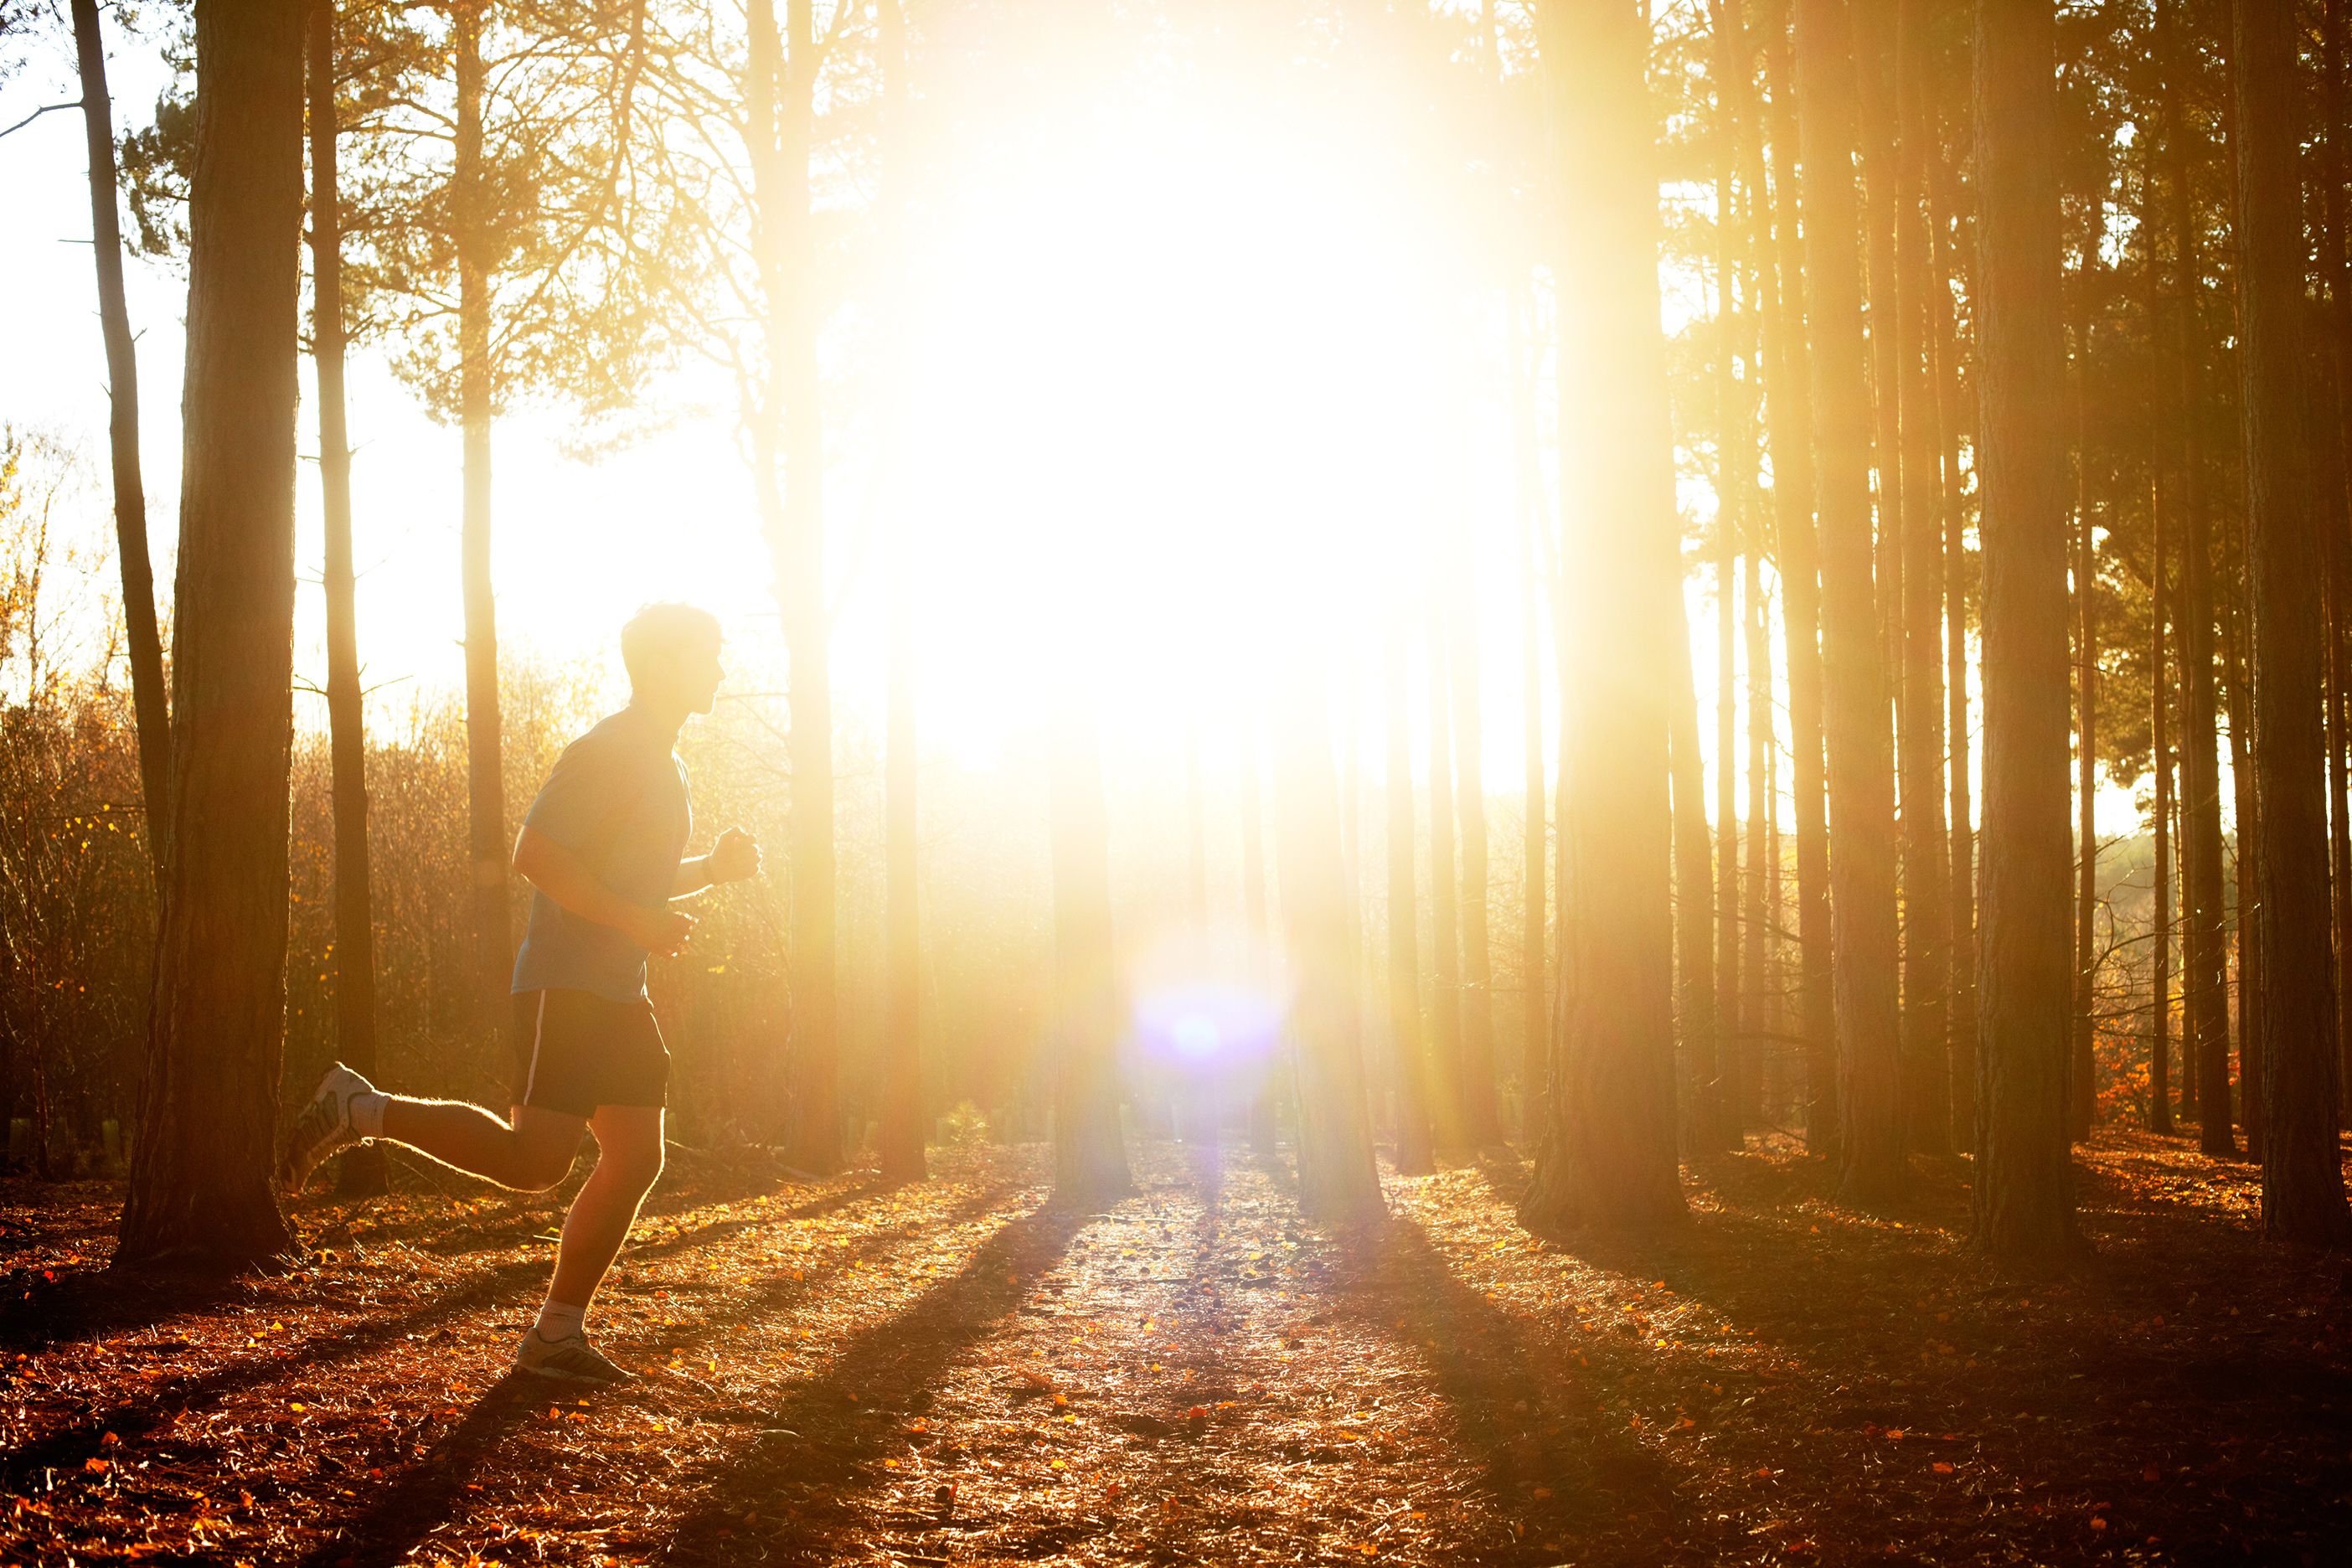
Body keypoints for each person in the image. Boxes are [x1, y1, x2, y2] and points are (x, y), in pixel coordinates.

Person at [279, 602, 760, 1384]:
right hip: (565, 985)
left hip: (617, 991)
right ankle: (359, 1108)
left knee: (638, 1157)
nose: (720, 668)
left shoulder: (667, 764)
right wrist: (637, 920)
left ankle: (555, 1336)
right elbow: (536, 854)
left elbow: (625, 880)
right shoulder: (608, 748)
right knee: (535, 1161)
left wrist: (710, 870)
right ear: (665, 664)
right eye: (709, 653)